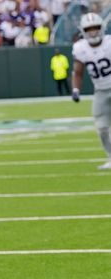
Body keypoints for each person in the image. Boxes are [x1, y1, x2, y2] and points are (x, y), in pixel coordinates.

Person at [72, 13, 111, 170]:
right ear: (83, 30)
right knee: (101, 128)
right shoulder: (80, 48)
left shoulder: (109, 43)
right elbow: (78, 72)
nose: (93, 32)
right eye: (89, 29)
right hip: (100, 90)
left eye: (96, 28)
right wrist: (75, 89)